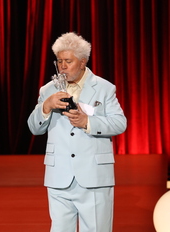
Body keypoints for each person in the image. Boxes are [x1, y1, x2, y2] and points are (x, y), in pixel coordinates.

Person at [27, 32, 127, 232]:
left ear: (83, 62)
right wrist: (45, 107)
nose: (63, 66)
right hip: (59, 176)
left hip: (94, 176)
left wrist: (87, 122)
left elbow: (119, 123)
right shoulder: (48, 90)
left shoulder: (104, 88)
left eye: (68, 61)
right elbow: (34, 128)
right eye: (59, 61)